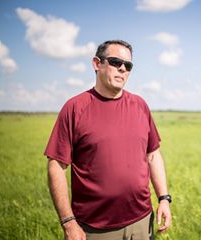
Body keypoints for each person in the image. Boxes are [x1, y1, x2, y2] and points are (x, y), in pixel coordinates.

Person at [44, 40, 172, 240]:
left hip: (141, 221)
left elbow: (153, 154)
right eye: (115, 62)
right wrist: (68, 222)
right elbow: (56, 165)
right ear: (97, 64)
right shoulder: (75, 108)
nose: (122, 68)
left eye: (128, 65)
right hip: (94, 228)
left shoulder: (140, 105)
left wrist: (164, 198)